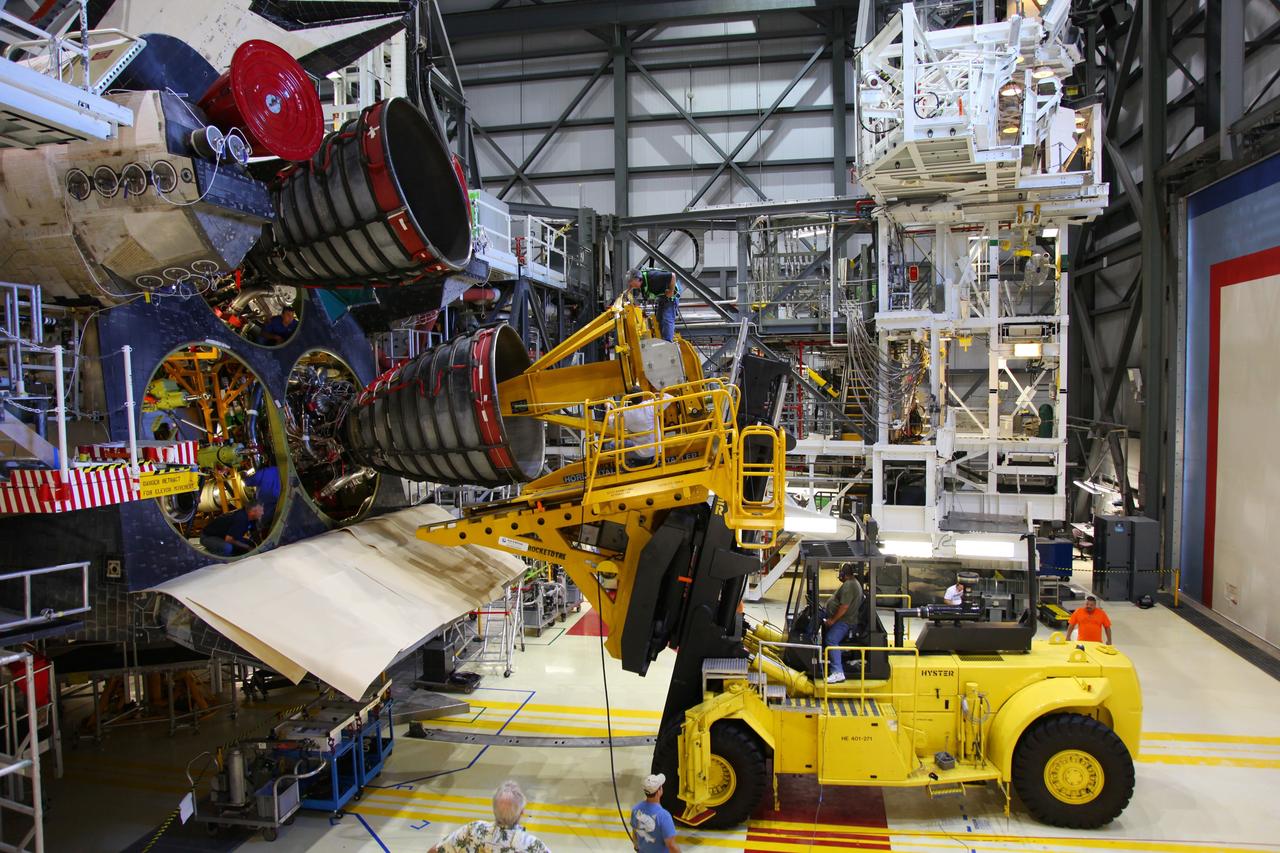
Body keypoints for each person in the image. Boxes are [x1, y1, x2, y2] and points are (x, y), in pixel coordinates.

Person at [428, 780, 550, 853]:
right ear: (521, 813)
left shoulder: (474, 830)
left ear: (494, 810)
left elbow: (436, 851)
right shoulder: (532, 845)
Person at [822, 564, 864, 684]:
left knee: (831, 640)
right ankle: (833, 658)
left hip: (845, 621)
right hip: (845, 619)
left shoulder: (850, 585)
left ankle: (837, 672)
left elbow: (844, 607)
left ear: (843, 574)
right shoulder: (852, 583)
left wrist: (832, 620)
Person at [630, 773, 680, 853]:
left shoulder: (636, 810)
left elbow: (635, 833)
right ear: (659, 791)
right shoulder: (664, 816)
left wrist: (637, 848)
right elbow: (671, 845)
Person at [628, 268, 681, 342]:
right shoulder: (641, 282)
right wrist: (627, 291)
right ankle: (662, 341)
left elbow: (673, 276)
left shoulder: (654, 277)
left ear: (637, 279)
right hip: (662, 296)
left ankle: (668, 344)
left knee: (667, 319)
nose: (631, 285)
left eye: (631, 282)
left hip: (671, 296)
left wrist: (671, 291)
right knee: (659, 318)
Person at [199, 503, 264, 556]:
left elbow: (254, 533)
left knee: (250, 544)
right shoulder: (241, 518)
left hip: (224, 537)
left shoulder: (252, 519)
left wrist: (260, 547)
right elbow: (229, 539)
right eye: (261, 511)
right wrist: (248, 548)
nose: (262, 513)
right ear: (252, 512)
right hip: (208, 537)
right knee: (227, 548)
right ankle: (210, 553)